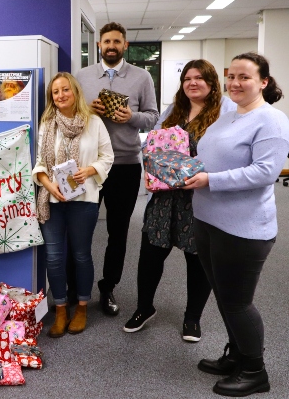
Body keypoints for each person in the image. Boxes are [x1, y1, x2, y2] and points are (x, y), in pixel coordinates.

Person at [184, 52, 289, 397]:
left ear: (263, 82)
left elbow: (265, 173)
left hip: (243, 228)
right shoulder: (228, 115)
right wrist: (180, 168)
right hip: (208, 220)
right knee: (225, 296)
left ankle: (255, 371)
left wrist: (209, 179)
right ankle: (237, 356)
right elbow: (207, 156)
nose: (235, 83)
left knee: (238, 302)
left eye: (245, 77)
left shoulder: (271, 120)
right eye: (231, 77)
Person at [123, 59, 235, 341]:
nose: (192, 83)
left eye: (199, 78)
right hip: (164, 198)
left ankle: (192, 318)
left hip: (199, 199)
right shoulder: (173, 111)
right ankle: (144, 308)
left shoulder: (224, 114)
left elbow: (226, 155)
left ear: (211, 83)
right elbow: (154, 145)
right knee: (149, 256)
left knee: (197, 261)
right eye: (187, 78)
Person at [76, 22, 159, 316]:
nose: (111, 46)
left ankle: (108, 287)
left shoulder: (142, 77)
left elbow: (152, 118)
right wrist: (87, 110)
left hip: (124, 165)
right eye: (106, 41)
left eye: (117, 42)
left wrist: (130, 117)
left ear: (125, 46)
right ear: (98, 45)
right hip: (88, 166)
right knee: (81, 231)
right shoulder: (82, 76)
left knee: (118, 233)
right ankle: (78, 289)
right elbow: (71, 114)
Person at [33, 72, 113, 337]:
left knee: (80, 255)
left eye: (65, 90)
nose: (60, 95)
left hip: (84, 200)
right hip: (53, 201)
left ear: (75, 92)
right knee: (54, 258)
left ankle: (81, 307)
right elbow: (40, 165)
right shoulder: (47, 124)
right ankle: (60, 309)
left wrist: (89, 170)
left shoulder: (94, 122)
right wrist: (48, 185)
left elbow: (107, 157)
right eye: (55, 92)